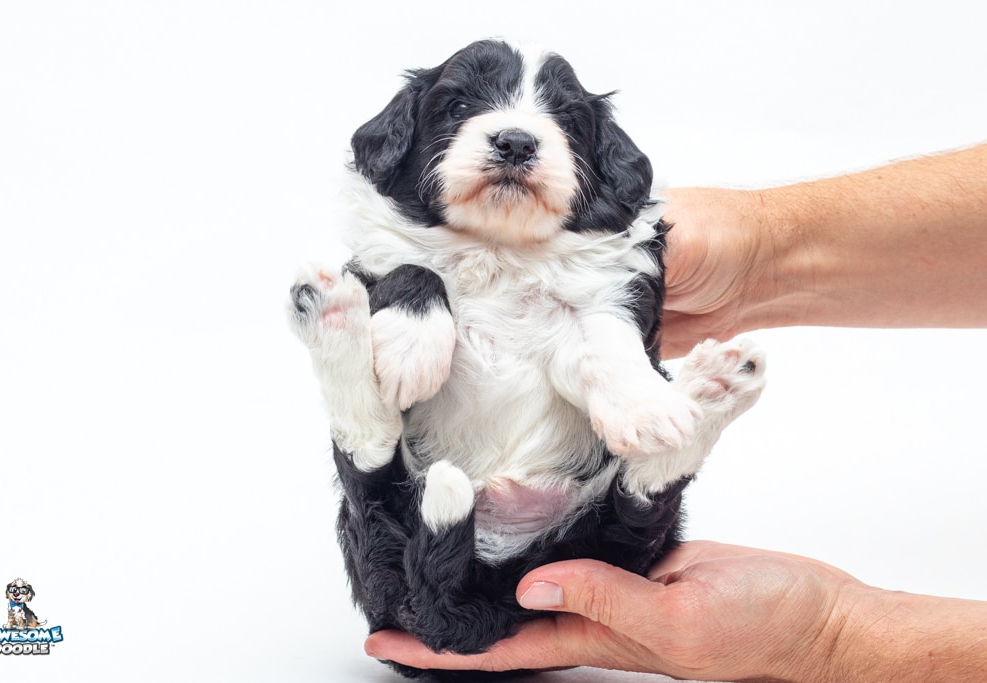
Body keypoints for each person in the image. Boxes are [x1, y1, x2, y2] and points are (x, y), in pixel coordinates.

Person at [364, 143, 987, 682]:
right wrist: (761, 250)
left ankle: (667, 460)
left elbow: (599, 355)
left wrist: (833, 633)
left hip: (566, 520)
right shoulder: (404, 253)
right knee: (378, 460)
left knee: (621, 472)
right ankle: (666, 463)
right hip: (428, 542)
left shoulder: (592, 281)